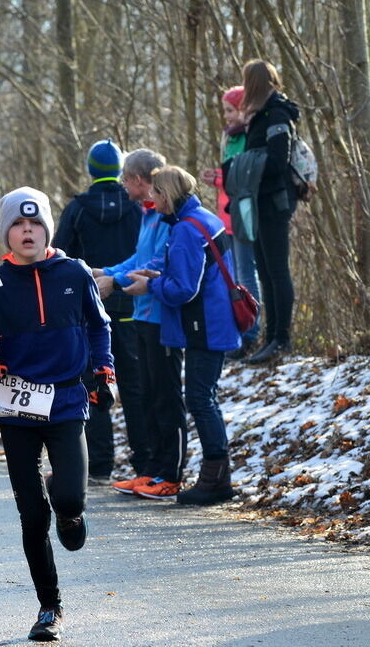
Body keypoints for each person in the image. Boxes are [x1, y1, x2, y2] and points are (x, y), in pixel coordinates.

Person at [0, 187, 113, 642]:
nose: (26, 231)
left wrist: (103, 370)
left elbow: (98, 324)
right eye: (17, 224)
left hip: (68, 400)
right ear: (6, 234)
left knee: (69, 499)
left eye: (34, 224)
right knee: (32, 516)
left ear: (46, 229)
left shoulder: (74, 272)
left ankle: (68, 508)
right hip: (17, 407)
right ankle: (50, 607)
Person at [124, 166, 240, 505]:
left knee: (201, 399)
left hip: (207, 324)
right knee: (203, 397)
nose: (151, 198)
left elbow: (184, 290)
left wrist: (151, 284)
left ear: (168, 195)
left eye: (155, 193)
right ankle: (215, 476)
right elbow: (179, 266)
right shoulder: (195, 219)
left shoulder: (189, 229)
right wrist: (155, 270)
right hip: (209, 322)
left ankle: (216, 478)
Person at [52, 139, 147, 484]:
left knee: (95, 382)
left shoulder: (77, 209)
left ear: (91, 170)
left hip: (91, 310)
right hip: (133, 304)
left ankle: (100, 465)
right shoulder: (139, 206)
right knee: (136, 387)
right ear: (120, 170)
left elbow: (58, 257)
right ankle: (145, 464)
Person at [95, 149, 189, 500]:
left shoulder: (168, 215)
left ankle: (170, 473)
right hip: (142, 315)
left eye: (125, 179)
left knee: (166, 397)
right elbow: (139, 258)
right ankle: (150, 470)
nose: (123, 185)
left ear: (137, 180)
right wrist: (107, 272)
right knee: (148, 396)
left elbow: (156, 263)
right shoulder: (147, 215)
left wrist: (115, 282)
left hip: (163, 317)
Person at [238, 60, 300, 364]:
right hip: (260, 201)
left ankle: (281, 339)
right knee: (264, 271)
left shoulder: (277, 114)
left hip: (275, 202)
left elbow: (278, 161)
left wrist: (247, 165)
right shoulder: (261, 116)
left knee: (277, 271)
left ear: (254, 84)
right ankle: (271, 337)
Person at [201, 85, 260, 360]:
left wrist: (217, 178)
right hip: (228, 215)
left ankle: (252, 332)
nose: (225, 116)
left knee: (247, 274)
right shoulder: (230, 138)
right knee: (235, 275)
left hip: (242, 214)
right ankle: (244, 330)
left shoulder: (248, 136)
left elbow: (241, 176)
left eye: (229, 110)